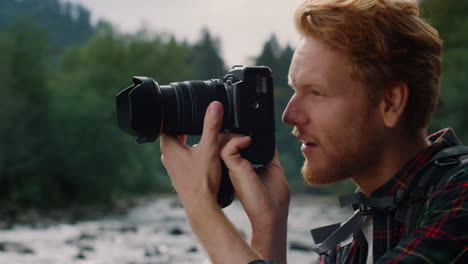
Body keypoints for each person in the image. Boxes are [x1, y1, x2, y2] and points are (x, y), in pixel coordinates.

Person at [160, 0, 468, 263]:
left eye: (316, 93)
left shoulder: (462, 196)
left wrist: (201, 208)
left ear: (390, 102)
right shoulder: (344, 243)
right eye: (295, 90)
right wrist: (270, 225)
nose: (289, 115)